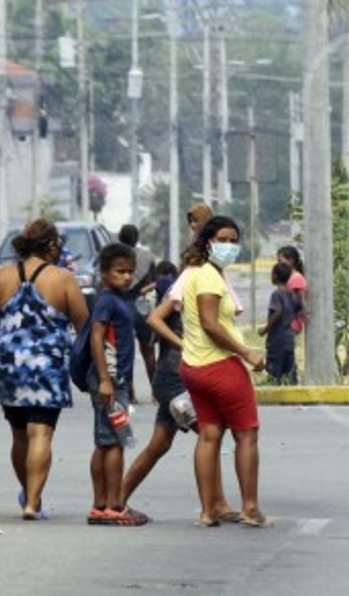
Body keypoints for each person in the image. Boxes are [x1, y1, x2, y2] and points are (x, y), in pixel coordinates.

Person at [0, 219, 90, 520]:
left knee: (19, 434)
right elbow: (84, 325)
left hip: (9, 363)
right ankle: (32, 502)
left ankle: (29, 495)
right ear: (52, 246)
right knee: (41, 432)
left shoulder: (0, 277)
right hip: (48, 364)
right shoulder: (64, 279)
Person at [120, 258, 239, 521]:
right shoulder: (186, 284)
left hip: (182, 375)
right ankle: (213, 505)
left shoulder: (209, 284)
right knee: (210, 434)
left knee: (160, 444)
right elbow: (154, 319)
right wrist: (183, 345)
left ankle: (117, 499)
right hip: (176, 376)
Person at [182, 216, 268, 527]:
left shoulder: (197, 273)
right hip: (220, 366)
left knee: (209, 435)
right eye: (223, 240)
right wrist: (246, 352)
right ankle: (250, 507)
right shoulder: (209, 277)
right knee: (246, 434)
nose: (229, 246)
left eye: (234, 240)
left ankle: (209, 511)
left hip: (194, 366)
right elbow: (210, 323)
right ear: (208, 242)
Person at [85, 243, 150, 526]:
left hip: (115, 379)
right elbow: (96, 339)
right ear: (104, 273)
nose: (126, 277)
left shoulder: (118, 298)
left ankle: (101, 505)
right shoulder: (106, 301)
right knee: (114, 444)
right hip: (108, 379)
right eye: (120, 271)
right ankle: (113, 505)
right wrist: (104, 379)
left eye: (130, 272)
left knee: (104, 442)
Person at [117, 224, 157, 398]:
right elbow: (156, 281)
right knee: (148, 352)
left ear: (120, 237)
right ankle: (156, 393)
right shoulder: (147, 257)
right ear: (137, 238)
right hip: (141, 307)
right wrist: (142, 290)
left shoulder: (114, 257)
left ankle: (130, 393)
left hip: (120, 305)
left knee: (125, 353)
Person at [258, 262, 302, 385]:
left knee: (274, 371)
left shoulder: (276, 294)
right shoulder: (293, 294)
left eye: (272, 274)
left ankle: (274, 389)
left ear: (276, 276)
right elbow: (299, 308)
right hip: (289, 338)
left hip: (277, 339)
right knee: (289, 368)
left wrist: (265, 329)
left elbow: (278, 312)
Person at [276, 245, 308, 335]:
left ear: (291, 260)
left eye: (280, 261)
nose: (279, 264)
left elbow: (300, 303)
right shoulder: (287, 277)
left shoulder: (296, 278)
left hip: (290, 323)